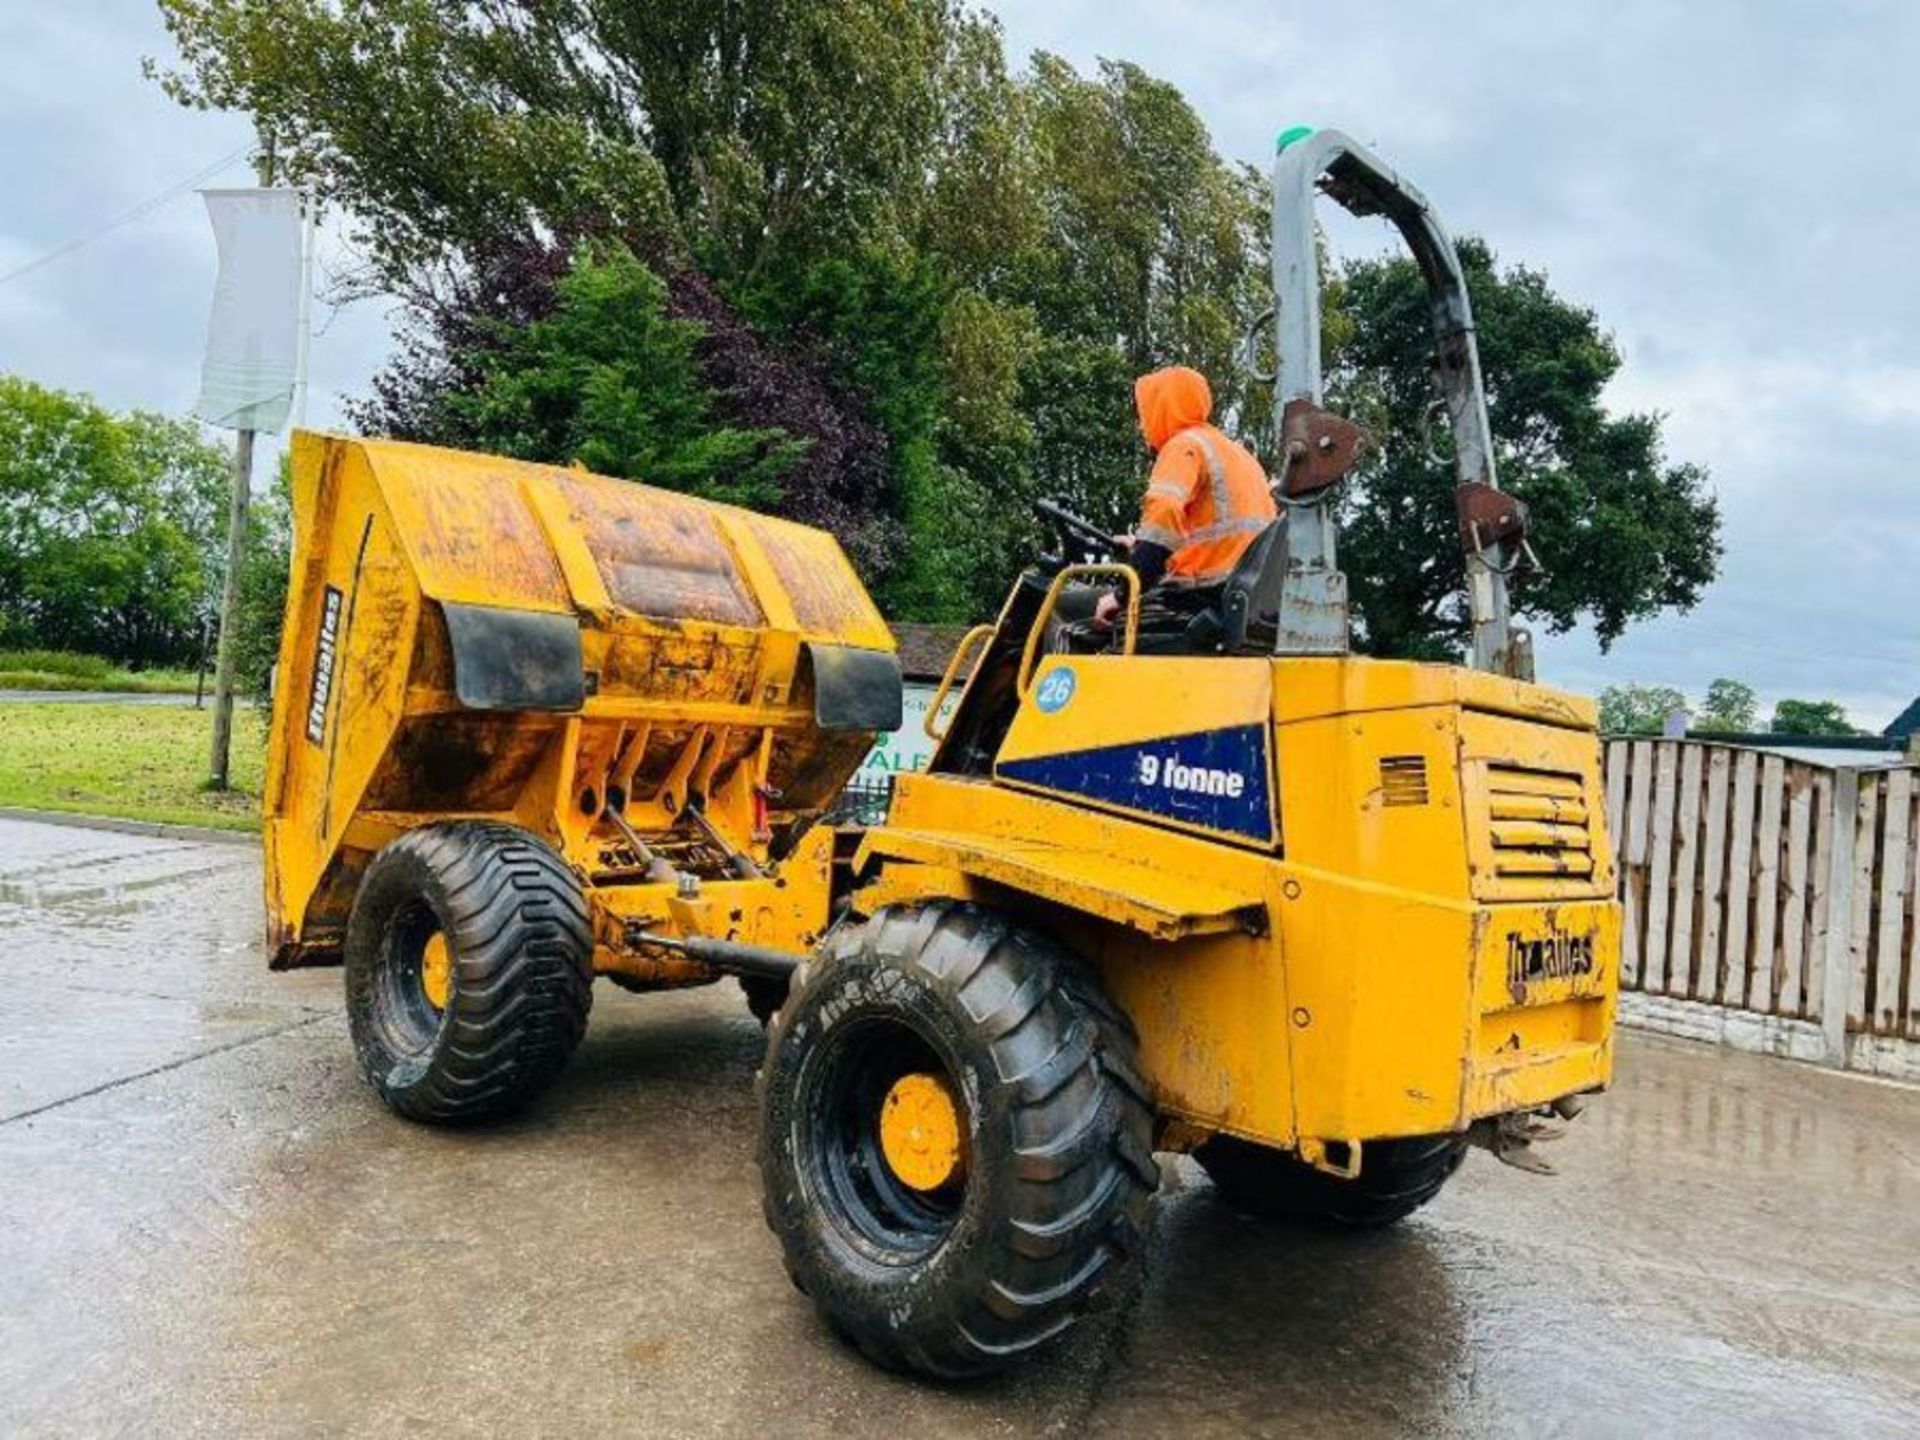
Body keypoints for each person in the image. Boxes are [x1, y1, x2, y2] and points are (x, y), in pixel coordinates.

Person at [1094, 366, 1277, 627]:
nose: (1142, 423)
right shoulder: (1237, 454)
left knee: (1075, 613)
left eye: (1145, 410)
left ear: (1163, 407)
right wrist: (1140, 549)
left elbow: (1164, 517)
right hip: (1244, 593)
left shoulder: (1183, 447)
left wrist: (1121, 594)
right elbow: (1213, 536)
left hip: (1201, 593)